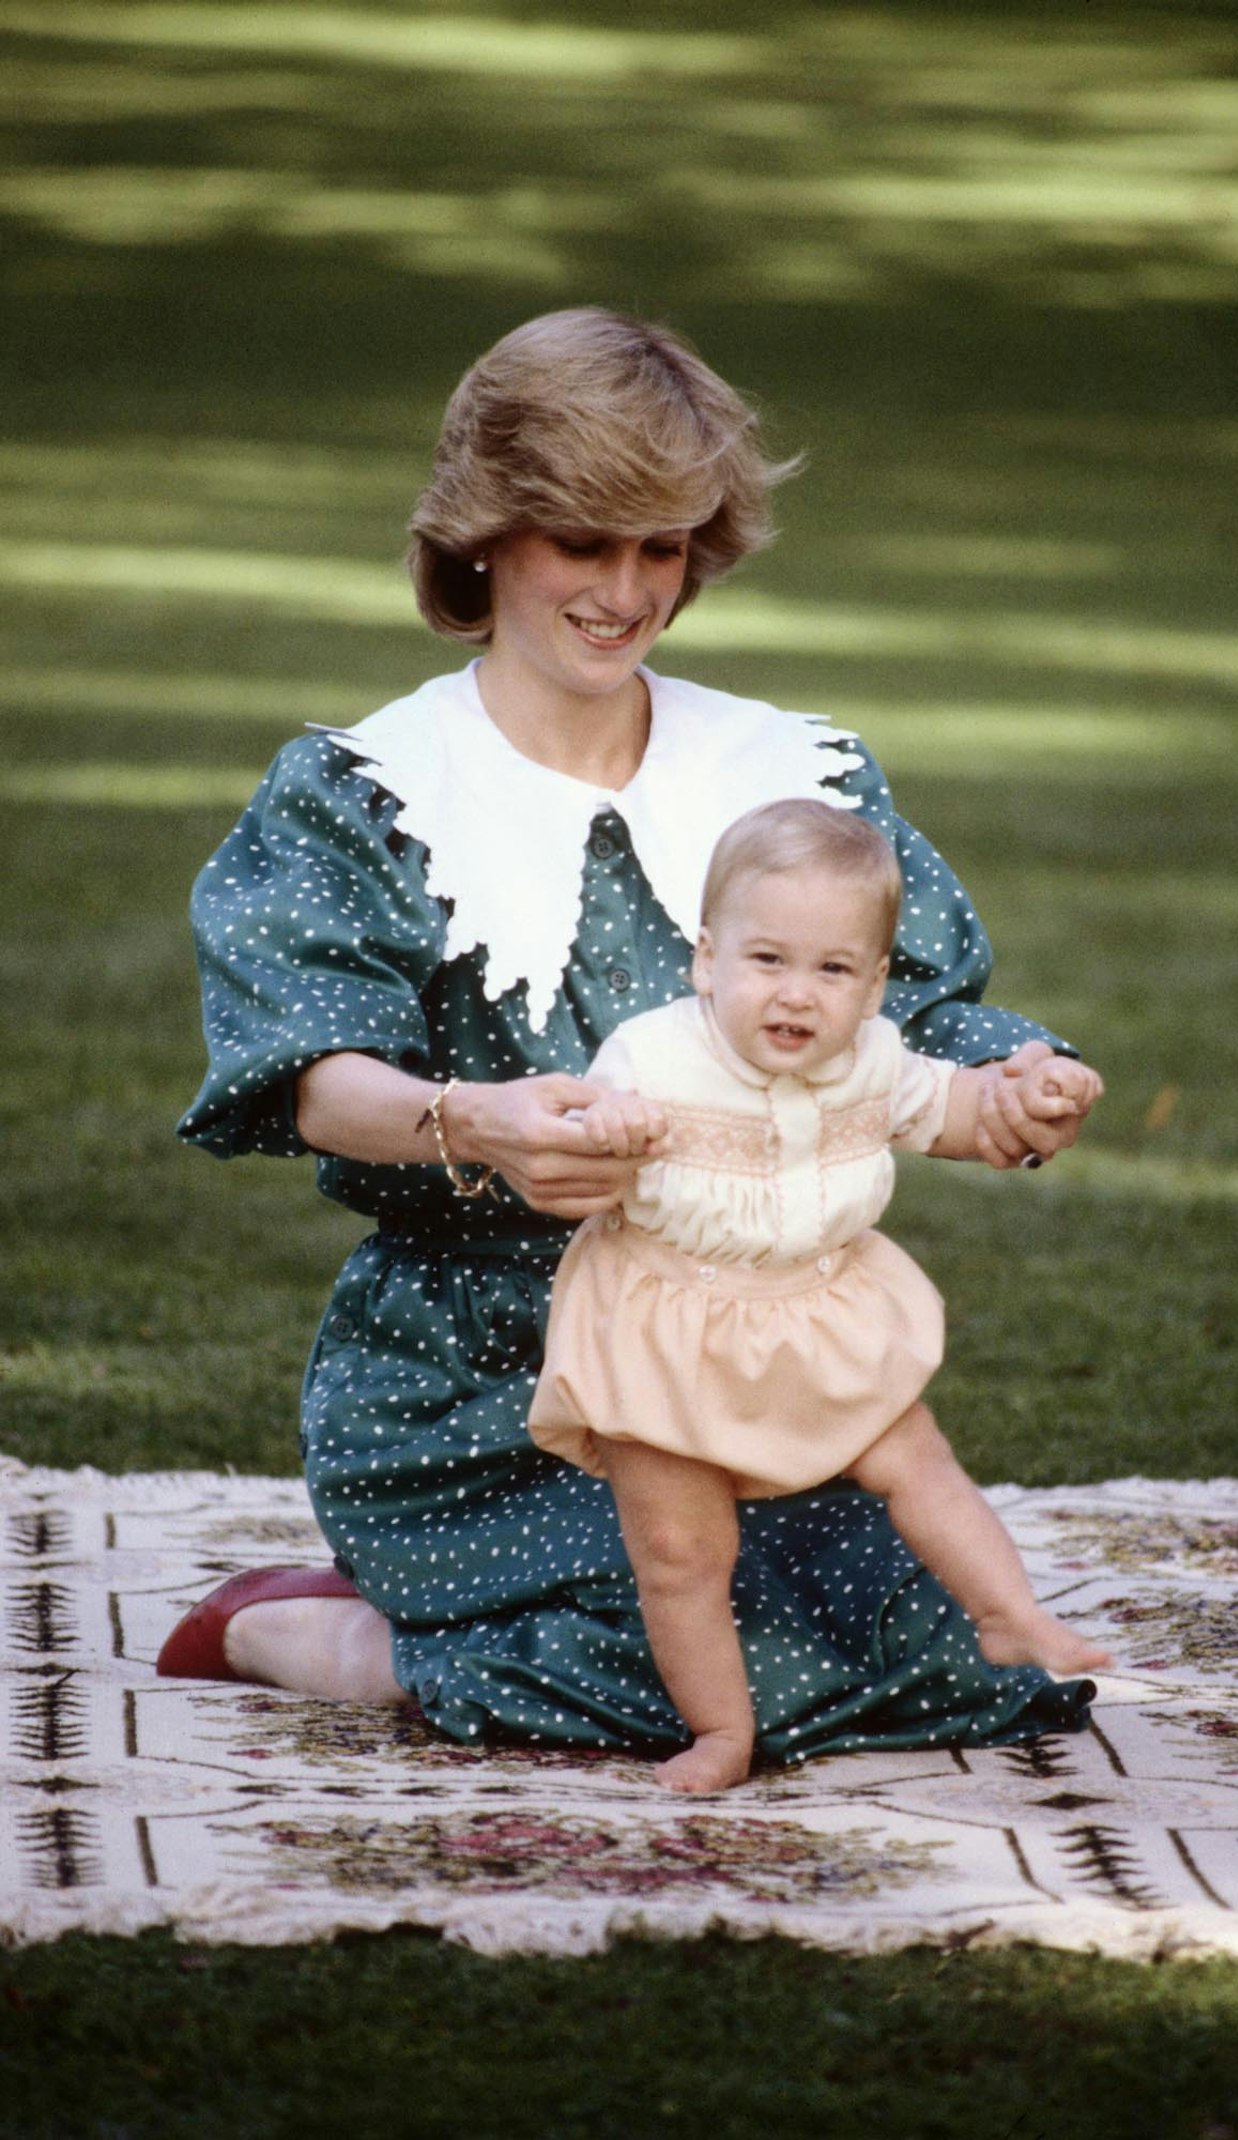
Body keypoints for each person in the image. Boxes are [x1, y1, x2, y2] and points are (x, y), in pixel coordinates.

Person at [157, 306, 1101, 1776]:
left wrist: (1019, 1079)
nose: (624, 590)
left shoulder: (790, 772)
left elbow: (920, 1009)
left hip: (745, 1361)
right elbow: (311, 1077)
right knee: (665, 1667)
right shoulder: (364, 789)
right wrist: (478, 1122)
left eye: (659, 547)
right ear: (482, 539)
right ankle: (313, 1629)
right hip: (484, 1374)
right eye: (581, 542)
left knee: (942, 1661)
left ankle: (463, 1628)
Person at [529, 798, 1110, 1792]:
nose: (798, 995)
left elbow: (960, 1112)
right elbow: (579, 1140)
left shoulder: (873, 1060)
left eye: (834, 970)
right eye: (768, 961)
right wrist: (605, 1130)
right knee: (680, 1548)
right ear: (708, 960)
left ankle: (1008, 1610)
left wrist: (1030, 1094)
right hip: (665, 1325)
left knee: (915, 1456)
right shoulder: (653, 1056)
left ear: (875, 982)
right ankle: (721, 1730)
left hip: (812, 1310)